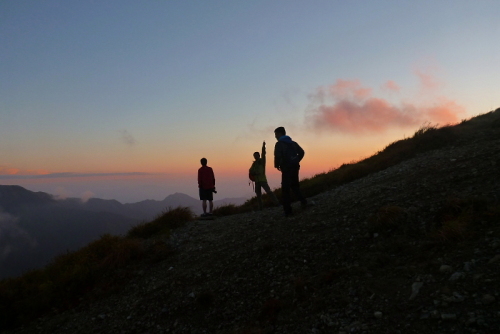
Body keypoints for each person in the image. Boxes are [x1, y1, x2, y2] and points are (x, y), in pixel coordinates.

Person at [273, 126, 307, 216]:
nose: (275, 136)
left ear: (280, 134)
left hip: (286, 168)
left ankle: (288, 211)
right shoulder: (292, 143)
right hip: (295, 167)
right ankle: (304, 202)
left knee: (285, 190)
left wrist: (276, 165)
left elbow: (277, 156)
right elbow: (302, 152)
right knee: (295, 186)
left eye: (276, 134)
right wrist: (296, 160)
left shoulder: (279, 144)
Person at [249, 141, 280, 210]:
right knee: (258, 195)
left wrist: (263, 147)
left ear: (258, 155)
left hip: (262, 180)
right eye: (254, 155)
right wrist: (254, 172)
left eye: (256, 155)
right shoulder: (254, 164)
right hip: (257, 181)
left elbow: (264, 154)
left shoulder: (262, 161)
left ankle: (277, 203)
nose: (255, 156)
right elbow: (250, 170)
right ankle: (260, 208)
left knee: (269, 192)